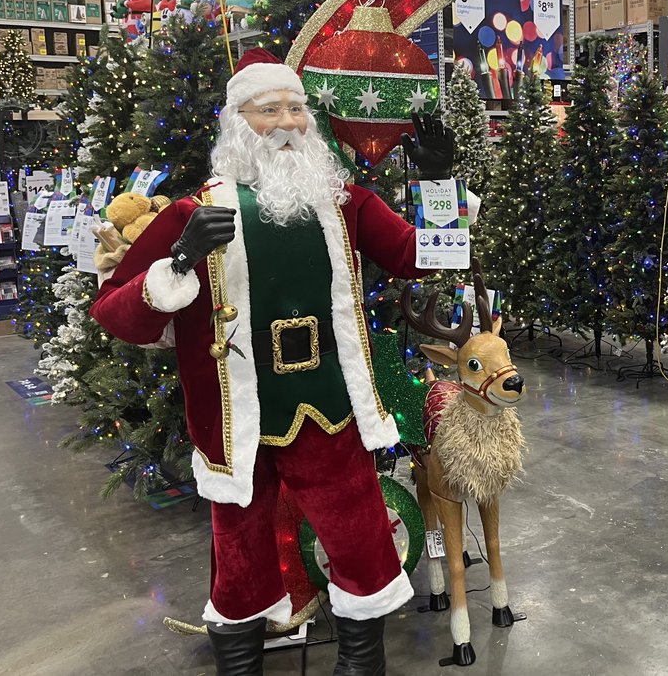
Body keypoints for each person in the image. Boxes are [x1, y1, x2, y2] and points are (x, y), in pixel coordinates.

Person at [91, 48, 455, 676]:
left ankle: (362, 665)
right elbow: (116, 312)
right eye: (269, 110)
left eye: (295, 107)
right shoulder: (193, 214)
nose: (287, 121)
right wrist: (178, 260)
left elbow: (427, 256)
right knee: (239, 550)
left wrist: (441, 184)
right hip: (237, 414)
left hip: (332, 405)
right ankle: (240, 667)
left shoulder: (345, 205)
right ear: (238, 122)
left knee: (361, 537)